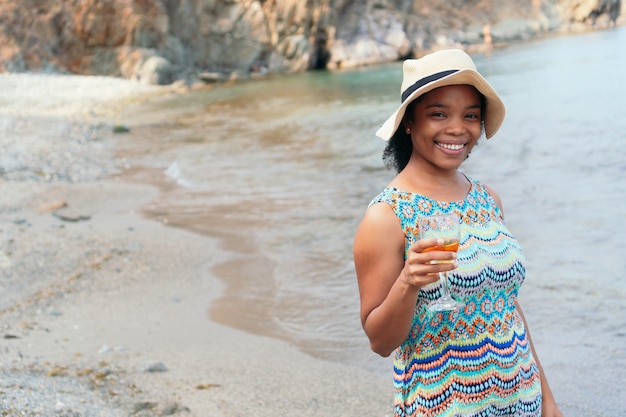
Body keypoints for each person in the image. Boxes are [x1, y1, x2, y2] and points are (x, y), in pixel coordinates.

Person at [353, 49, 563, 417]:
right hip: (445, 407)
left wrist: (548, 400)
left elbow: (508, 309)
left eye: (471, 116)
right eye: (438, 114)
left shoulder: (487, 198)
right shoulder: (386, 216)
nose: (457, 128)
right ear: (409, 123)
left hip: (522, 400)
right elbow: (380, 342)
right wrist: (408, 282)